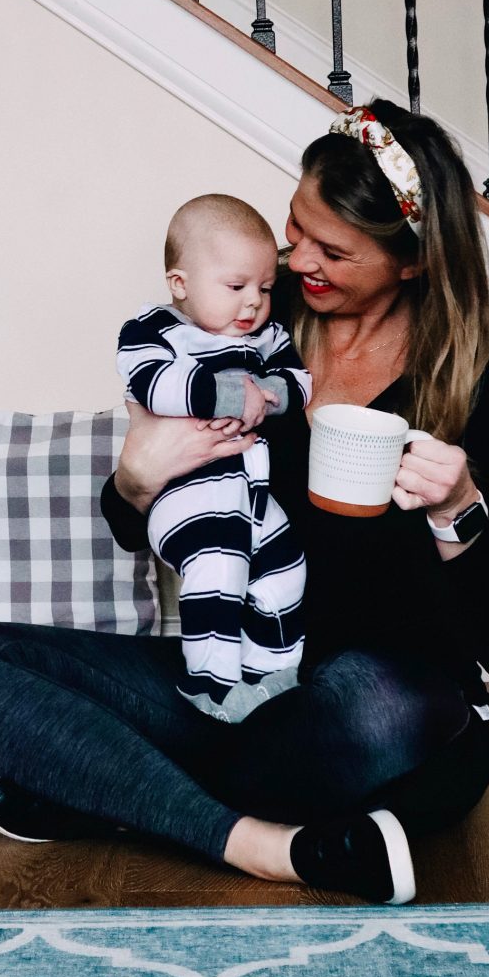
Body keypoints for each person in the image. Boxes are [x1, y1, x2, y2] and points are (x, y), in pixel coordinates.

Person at [0, 101, 489, 905]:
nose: (298, 257)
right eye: (296, 225)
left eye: (334, 250)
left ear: (410, 263)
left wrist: (458, 507)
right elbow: (139, 521)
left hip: (380, 703)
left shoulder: (484, 382)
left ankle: (108, 788)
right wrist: (135, 479)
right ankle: (268, 843)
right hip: (233, 675)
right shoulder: (247, 317)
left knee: (379, 703)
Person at [116, 194, 311, 723]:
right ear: (180, 284)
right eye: (236, 287)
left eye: (264, 289)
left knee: (284, 571)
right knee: (219, 570)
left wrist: (271, 393)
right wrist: (229, 395)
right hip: (186, 496)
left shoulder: (267, 336)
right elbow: (153, 384)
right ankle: (211, 687)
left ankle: (271, 677)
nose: (253, 304)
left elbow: (299, 380)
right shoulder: (154, 330)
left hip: (251, 493)